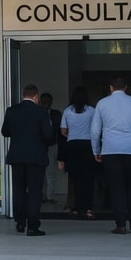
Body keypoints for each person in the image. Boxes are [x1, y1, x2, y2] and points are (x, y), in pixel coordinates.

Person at [91, 76, 131, 235]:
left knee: (116, 187)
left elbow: (95, 130)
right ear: (126, 88)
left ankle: (120, 224)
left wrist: (96, 149)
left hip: (110, 150)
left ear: (110, 88)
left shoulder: (102, 103)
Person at [1, 83, 55, 237]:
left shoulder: (11, 111)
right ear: (36, 96)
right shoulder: (41, 112)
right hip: (36, 156)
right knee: (34, 192)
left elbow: (5, 132)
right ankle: (32, 226)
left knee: (19, 190)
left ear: (23, 95)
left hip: (17, 156)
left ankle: (20, 222)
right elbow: (48, 135)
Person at [57, 85, 97, 219]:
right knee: (89, 179)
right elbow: (97, 129)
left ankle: (77, 207)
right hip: (88, 145)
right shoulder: (92, 110)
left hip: (72, 146)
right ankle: (89, 208)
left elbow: (63, 131)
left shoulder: (67, 111)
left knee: (75, 179)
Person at [40, 92, 62, 204]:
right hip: (39, 146)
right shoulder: (36, 113)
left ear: (51, 102)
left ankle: (49, 196)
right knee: (40, 172)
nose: (45, 104)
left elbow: (59, 130)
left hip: (52, 145)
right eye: (43, 102)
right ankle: (41, 195)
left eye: (47, 102)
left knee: (50, 172)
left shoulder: (56, 114)